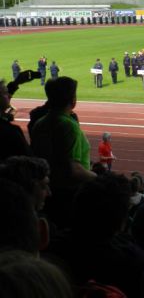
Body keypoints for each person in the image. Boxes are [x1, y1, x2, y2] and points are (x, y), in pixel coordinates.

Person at [30, 76, 96, 228]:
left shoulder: (40, 124)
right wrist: (98, 177)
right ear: (72, 100)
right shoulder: (68, 125)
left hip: (49, 191)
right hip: (69, 194)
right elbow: (73, 170)